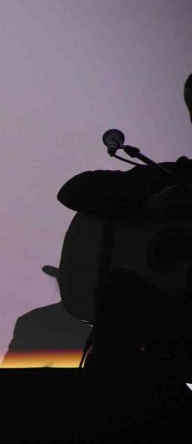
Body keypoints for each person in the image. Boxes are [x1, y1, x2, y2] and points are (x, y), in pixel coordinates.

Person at [56, 73, 192, 372]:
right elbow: (74, 190)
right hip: (163, 330)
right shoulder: (172, 177)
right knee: (120, 290)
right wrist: (146, 205)